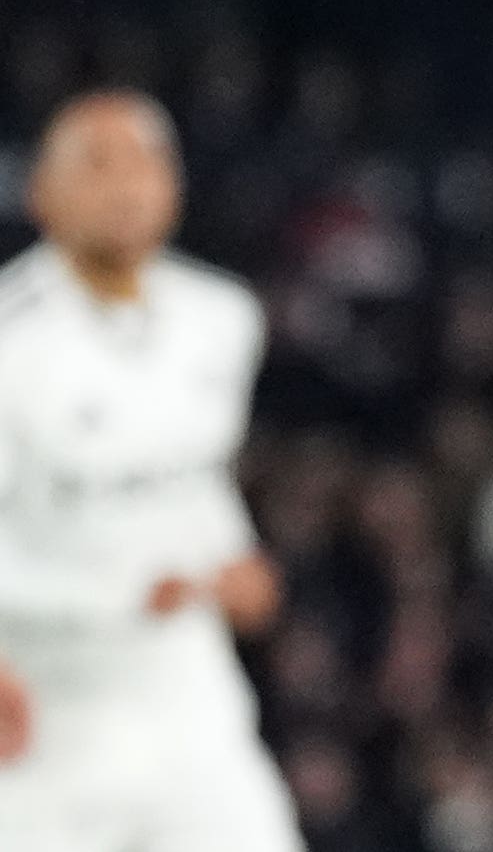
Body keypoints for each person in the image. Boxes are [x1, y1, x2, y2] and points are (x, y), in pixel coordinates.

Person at [0, 90, 297, 852]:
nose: (127, 185)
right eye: (97, 164)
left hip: (186, 687)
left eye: (147, 161)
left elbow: (197, 474)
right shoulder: (10, 345)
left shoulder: (224, 318)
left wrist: (235, 553)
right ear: (41, 194)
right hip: (48, 698)